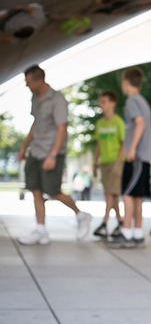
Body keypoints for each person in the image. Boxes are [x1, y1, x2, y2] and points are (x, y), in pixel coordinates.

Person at [16, 65, 92, 245]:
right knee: (35, 190)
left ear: (39, 80)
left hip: (51, 152)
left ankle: (81, 215)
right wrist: (23, 146)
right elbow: (36, 124)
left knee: (53, 191)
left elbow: (62, 128)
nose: (27, 85)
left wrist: (53, 155)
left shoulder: (57, 99)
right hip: (35, 151)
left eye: (28, 82)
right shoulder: (35, 98)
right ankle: (41, 231)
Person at [107, 66, 151, 248]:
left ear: (126, 83)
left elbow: (139, 124)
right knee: (137, 196)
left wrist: (131, 149)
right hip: (145, 157)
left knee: (127, 193)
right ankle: (137, 233)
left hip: (137, 157)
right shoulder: (143, 101)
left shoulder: (132, 101)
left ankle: (126, 233)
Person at [92, 90, 125, 238]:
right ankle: (120, 221)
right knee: (112, 194)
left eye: (104, 101)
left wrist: (118, 159)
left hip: (115, 162)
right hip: (104, 162)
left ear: (113, 103)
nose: (101, 105)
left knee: (109, 194)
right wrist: (95, 162)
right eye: (100, 101)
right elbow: (98, 143)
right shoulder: (100, 123)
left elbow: (124, 142)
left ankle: (104, 223)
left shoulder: (118, 122)